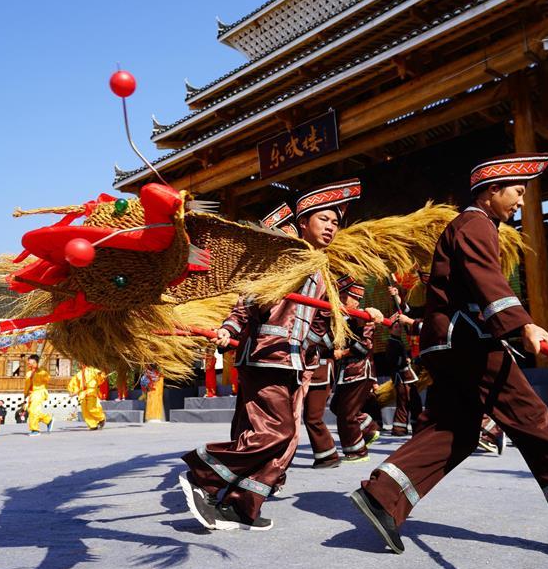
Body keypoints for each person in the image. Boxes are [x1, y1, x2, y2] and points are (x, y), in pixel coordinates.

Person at [350, 153, 548, 559]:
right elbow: (486, 279)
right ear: (492, 190)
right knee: (533, 421)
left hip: (452, 344)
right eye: (517, 191)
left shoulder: (474, 226)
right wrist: (522, 323)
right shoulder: (475, 224)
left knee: (455, 429)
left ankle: (382, 495)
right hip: (470, 343)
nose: (522, 201)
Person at [178, 179, 364, 532]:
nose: (329, 227)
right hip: (266, 358)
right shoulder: (282, 259)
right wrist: (229, 330)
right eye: (322, 219)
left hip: (292, 364)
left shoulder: (321, 269)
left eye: (335, 223)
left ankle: (240, 506)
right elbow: (248, 301)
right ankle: (203, 475)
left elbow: (319, 325)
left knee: (281, 438)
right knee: (276, 432)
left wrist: (346, 325)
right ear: (304, 222)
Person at [330, 277, 382, 463]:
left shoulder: (365, 317)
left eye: (345, 297)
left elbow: (365, 346)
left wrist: (341, 353)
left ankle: (357, 451)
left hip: (360, 371)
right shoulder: (343, 317)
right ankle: (369, 428)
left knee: (346, 414)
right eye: (340, 296)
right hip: (347, 371)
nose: (341, 300)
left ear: (355, 299)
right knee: (337, 406)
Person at [384, 285, 422, 437]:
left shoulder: (398, 340)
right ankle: (401, 428)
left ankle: (406, 426)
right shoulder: (393, 342)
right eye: (396, 326)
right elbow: (392, 360)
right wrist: (404, 360)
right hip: (402, 376)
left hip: (405, 375)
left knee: (410, 401)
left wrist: (397, 298)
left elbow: (405, 313)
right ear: (391, 329)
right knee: (406, 401)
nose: (399, 328)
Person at [24, 354, 54, 436]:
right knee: (31, 411)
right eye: (28, 361)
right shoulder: (29, 373)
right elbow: (27, 385)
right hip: (32, 394)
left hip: (39, 392)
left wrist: (42, 369)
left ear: (35, 362)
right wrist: (25, 394)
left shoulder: (41, 372)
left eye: (30, 361)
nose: (28, 363)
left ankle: (35, 430)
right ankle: (48, 420)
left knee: (34, 411)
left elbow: (47, 379)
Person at [68, 366, 107, 430]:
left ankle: (101, 418)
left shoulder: (92, 370)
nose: (80, 364)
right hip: (82, 394)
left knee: (91, 408)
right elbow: (74, 384)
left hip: (90, 391)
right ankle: (93, 425)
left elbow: (100, 376)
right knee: (85, 410)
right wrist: (72, 392)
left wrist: (101, 375)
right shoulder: (78, 374)